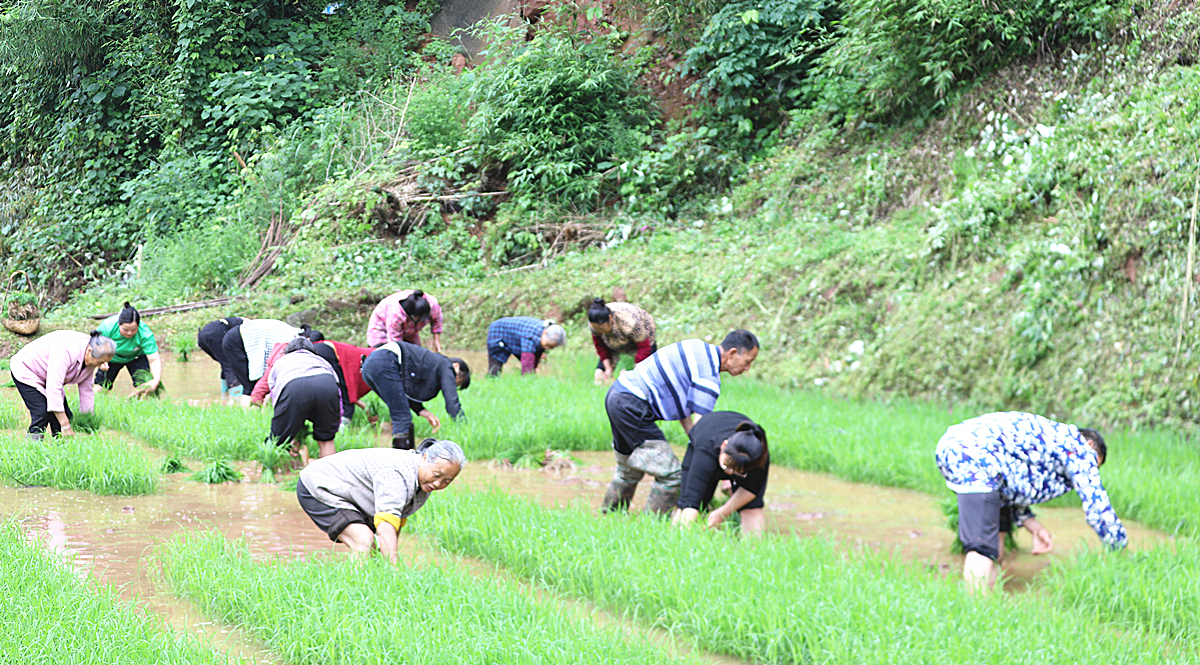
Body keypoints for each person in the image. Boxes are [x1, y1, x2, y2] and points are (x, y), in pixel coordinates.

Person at [934, 411, 1128, 592]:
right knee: (981, 546)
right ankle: (975, 609)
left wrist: (1033, 526)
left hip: (963, 449)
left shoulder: (1053, 438)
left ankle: (990, 600)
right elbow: (1098, 507)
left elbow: (1019, 483)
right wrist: (1120, 549)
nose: (1091, 469)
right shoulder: (1079, 448)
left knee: (996, 529)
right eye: (1095, 464)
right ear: (1092, 445)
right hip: (975, 455)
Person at [601, 330, 759, 515]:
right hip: (632, 406)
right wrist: (723, 474)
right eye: (748, 362)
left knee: (628, 469)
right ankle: (650, 528)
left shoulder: (697, 347)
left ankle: (608, 518)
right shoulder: (708, 378)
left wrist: (697, 443)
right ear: (732, 354)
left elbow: (688, 419)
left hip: (618, 395)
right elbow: (703, 433)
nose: (747, 368)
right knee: (673, 475)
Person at [296, 439, 465, 564]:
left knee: (374, 551)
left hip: (349, 492)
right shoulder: (398, 473)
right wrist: (394, 570)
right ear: (424, 458)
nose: (438, 484)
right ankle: (354, 596)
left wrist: (387, 560)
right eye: (436, 475)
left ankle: (371, 587)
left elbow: (395, 520)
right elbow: (385, 526)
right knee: (363, 540)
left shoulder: (422, 479)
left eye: (447, 481)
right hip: (320, 485)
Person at [360, 340, 470, 450]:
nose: (453, 384)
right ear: (456, 366)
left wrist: (423, 411)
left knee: (401, 413)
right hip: (385, 360)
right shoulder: (446, 365)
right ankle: (401, 461)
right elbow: (452, 402)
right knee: (402, 416)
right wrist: (464, 426)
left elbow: (402, 395)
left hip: (369, 365)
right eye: (457, 381)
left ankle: (410, 454)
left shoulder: (432, 363)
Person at [673, 413, 770, 536]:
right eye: (726, 467)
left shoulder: (758, 457)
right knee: (689, 504)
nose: (729, 473)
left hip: (740, 457)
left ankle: (753, 551)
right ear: (724, 446)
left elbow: (751, 489)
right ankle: (676, 540)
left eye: (737, 472)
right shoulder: (706, 452)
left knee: (752, 507)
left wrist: (722, 513)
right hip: (706, 433)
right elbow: (690, 502)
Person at [251, 337, 341, 466]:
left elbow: (277, 395)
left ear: (287, 351)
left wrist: (286, 426)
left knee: (278, 439)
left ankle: (268, 473)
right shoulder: (320, 360)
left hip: (294, 386)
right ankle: (332, 476)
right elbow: (336, 388)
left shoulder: (281, 361)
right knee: (326, 439)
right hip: (327, 384)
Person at [10, 330, 115, 438]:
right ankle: (33, 448)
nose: (101, 366)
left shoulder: (91, 357)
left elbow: (86, 391)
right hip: (28, 369)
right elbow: (54, 389)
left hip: (47, 374)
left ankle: (60, 447)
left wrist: (87, 422)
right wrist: (66, 426)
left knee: (66, 415)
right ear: (89, 350)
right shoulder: (66, 350)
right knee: (42, 413)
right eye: (99, 363)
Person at [221, 318, 302, 406]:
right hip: (236, 340)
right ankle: (248, 415)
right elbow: (269, 373)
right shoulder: (289, 347)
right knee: (249, 385)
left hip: (253, 336)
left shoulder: (296, 340)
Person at [93, 302, 162, 395]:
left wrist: (155, 380)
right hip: (111, 357)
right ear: (118, 324)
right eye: (125, 329)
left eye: (134, 329)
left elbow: (154, 360)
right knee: (100, 389)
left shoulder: (145, 333)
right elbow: (94, 347)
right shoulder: (107, 327)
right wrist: (100, 361)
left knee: (145, 388)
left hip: (136, 357)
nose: (129, 333)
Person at [587, 298, 656, 384]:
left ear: (610, 318)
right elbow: (601, 346)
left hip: (644, 332)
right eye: (597, 329)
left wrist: (634, 372)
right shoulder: (594, 324)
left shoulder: (629, 323)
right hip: (614, 336)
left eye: (601, 328)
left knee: (646, 372)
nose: (600, 332)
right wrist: (608, 369)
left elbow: (644, 347)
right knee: (599, 374)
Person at [365, 289, 444, 353]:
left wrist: (436, 340)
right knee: (384, 355)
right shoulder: (395, 315)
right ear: (411, 315)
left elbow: (437, 318)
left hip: (408, 331)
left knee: (416, 353)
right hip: (381, 328)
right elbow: (395, 344)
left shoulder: (432, 304)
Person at [485, 316, 566, 376]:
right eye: (547, 345)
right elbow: (527, 364)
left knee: (531, 365)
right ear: (544, 333)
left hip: (517, 336)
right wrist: (529, 379)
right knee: (495, 369)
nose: (547, 348)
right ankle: (490, 385)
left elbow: (536, 356)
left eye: (551, 347)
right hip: (498, 332)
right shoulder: (529, 336)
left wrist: (535, 366)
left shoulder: (544, 336)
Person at [196, 316, 244, 401]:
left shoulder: (236, 322)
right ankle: (236, 396)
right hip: (215, 333)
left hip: (203, 336)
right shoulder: (247, 325)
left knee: (225, 363)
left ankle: (224, 394)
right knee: (230, 363)